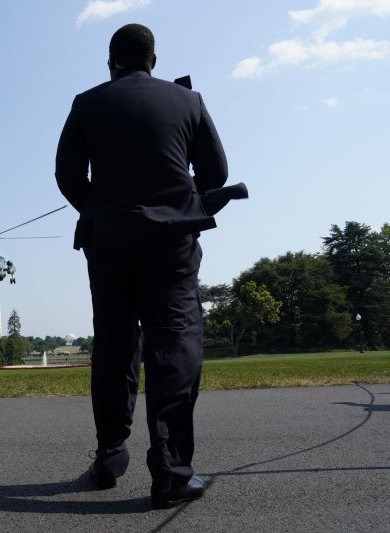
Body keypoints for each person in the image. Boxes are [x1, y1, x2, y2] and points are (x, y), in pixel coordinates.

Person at [55, 23, 227, 509]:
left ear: (111, 62)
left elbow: (67, 175)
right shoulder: (188, 102)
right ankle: (171, 473)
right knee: (173, 347)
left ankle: (110, 456)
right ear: (154, 60)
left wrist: (99, 209)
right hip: (170, 244)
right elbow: (217, 173)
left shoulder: (87, 102)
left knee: (113, 346)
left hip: (109, 245)